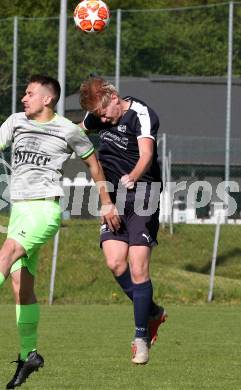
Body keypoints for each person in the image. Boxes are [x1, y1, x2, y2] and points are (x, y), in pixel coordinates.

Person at [0, 74, 120, 388]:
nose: (24, 98)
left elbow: (94, 164)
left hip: (44, 210)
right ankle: (29, 355)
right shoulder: (15, 121)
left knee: (7, 253)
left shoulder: (66, 129)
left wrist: (106, 203)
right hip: (19, 209)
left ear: (47, 98)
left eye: (30, 93)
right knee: (20, 288)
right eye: (25, 93)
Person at [79, 76, 167, 365]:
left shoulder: (141, 113)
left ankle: (140, 338)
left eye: (104, 112)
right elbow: (77, 132)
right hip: (112, 197)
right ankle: (152, 311)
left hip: (144, 193)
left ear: (114, 97)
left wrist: (134, 176)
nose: (102, 119)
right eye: (98, 115)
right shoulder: (98, 115)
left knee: (138, 266)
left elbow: (147, 155)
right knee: (115, 262)